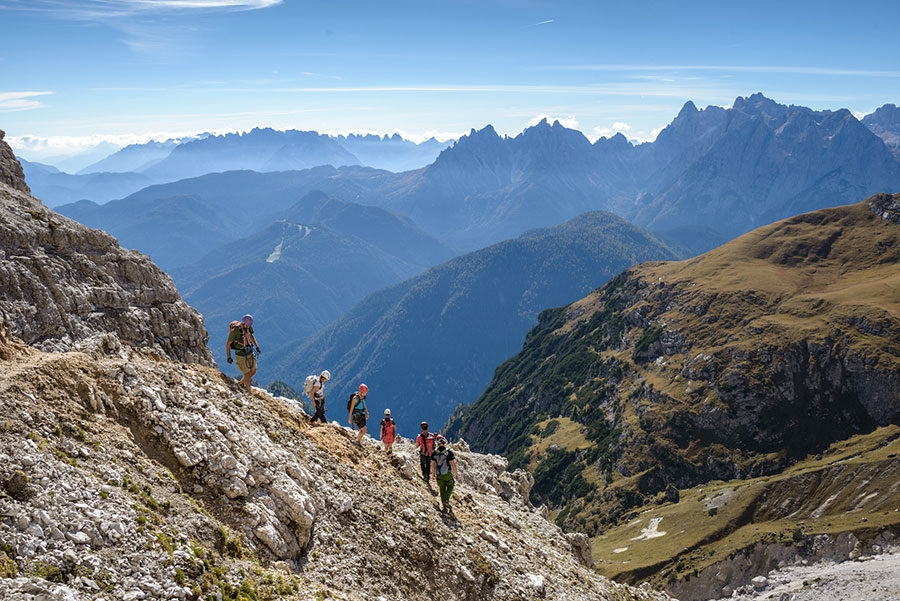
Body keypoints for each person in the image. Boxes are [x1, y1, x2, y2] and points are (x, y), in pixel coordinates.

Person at [226, 314, 260, 393]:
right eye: (247, 325)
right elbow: (228, 344)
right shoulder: (235, 331)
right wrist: (229, 357)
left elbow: (251, 336)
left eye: (249, 325)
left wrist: (257, 347)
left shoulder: (248, 327)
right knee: (247, 373)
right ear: (244, 323)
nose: (249, 326)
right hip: (240, 354)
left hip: (249, 351)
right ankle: (249, 391)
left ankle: (240, 384)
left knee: (253, 371)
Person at [431, 435, 459, 512]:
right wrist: (456, 474)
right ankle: (446, 500)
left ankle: (444, 505)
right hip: (447, 474)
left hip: (439, 475)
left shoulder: (434, 452)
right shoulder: (448, 452)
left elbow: (432, 465)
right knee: (451, 485)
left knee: (442, 488)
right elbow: (453, 464)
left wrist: (433, 475)